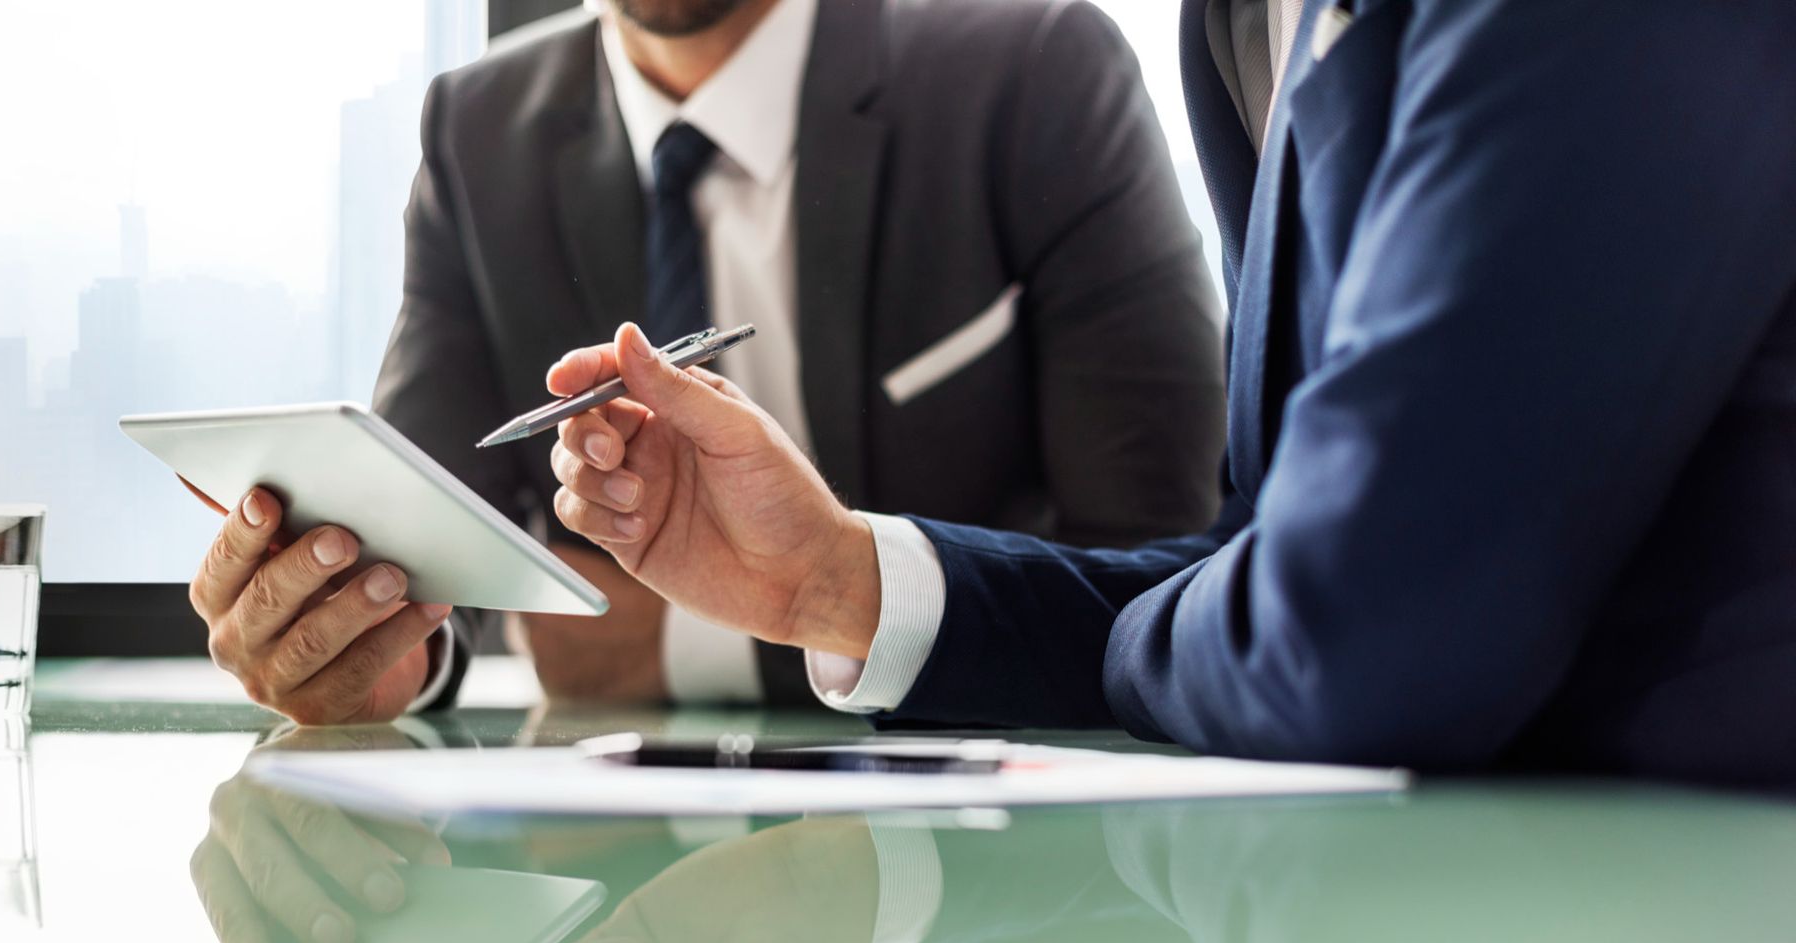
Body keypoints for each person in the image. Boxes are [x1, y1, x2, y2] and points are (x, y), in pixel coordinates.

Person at [542, 0, 1796, 790]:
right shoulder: (1240, 26)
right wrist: (833, 583)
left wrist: (1259, 609)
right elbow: (1267, 560)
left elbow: (1353, 634)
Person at [187, 0, 1229, 723]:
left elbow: (1174, 575)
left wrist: (699, 647)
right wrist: (379, 651)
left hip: (993, 904)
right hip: (610, 935)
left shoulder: (1036, 74)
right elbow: (417, 533)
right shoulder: (478, 132)